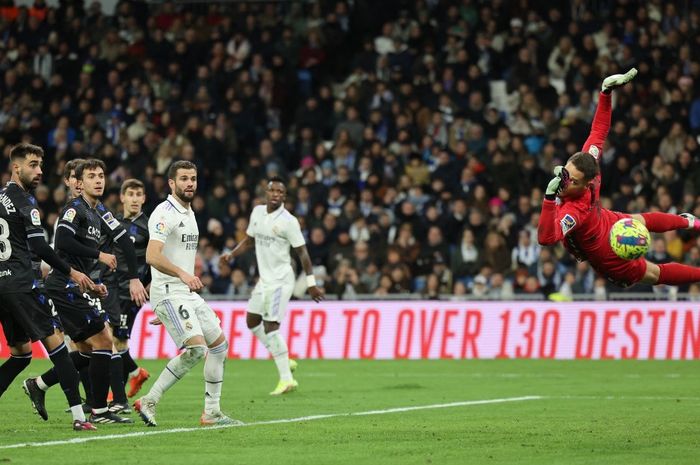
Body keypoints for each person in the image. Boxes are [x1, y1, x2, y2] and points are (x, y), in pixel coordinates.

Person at [538, 68, 700, 288]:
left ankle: (693, 243)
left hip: (607, 250)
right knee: (639, 220)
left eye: (573, 181)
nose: (566, 181)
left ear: (587, 184)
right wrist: (605, 93)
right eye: (566, 172)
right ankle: (688, 222)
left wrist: (549, 199)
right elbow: (599, 131)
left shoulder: (573, 211)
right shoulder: (589, 164)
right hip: (604, 228)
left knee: (653, 272)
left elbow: (546, 239)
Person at [25, 159, 148, 425]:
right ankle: (100, 410)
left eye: (101, 175)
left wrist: (132, 277)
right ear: (79, 184)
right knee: (104, 340)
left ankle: (39, 384)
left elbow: (124, 239)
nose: (99, 180)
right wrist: (99, 254)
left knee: (85, 351)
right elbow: (63, 242)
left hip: (77, 285)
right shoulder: (75, 209)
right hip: (63, 285)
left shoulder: (99, 211)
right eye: (92, 176)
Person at [0, 143, 97, 430]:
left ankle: (37, 388)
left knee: (20, 355)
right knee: (57, 347)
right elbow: (40, 246)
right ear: (16, 167)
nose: (39, 171)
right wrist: (72, 272)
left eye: (40, 165)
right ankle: (80, 417)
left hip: (2, 286)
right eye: (32, 164)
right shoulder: (25, 203)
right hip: (22, 283)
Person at [134, 160, 238, 427]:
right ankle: (150, 400)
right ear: (172, 183)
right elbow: (151, 255)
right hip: (170, 291)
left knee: (219, 346)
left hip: (185, 295)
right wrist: (174, 284)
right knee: (196, 350)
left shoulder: (189, 212)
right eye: (183, 179)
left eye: (192, 178)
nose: (189, 183)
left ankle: (212, 412)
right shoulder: (164, 213)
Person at [219, 176, 324, 395]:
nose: (276, 194)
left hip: (281, 280)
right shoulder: (257, 212)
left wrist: (311, 283)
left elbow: (302, 252)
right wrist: (232, 254)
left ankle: (287, 380)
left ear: (284, 197)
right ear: (265, 192)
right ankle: (283, 357)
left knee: (271, 326)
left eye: (280, 192)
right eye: (272, 190)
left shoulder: (289, 221)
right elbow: (249, 240)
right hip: (264, 280)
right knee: (252, 321)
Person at [112, 179, 151, 399]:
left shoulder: (149, 225)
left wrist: (150, 282)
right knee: (113, 339)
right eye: (131, 194)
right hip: (112, 288)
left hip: (132, 293)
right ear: (122, 197)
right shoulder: (115, 223)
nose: (135, 198)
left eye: (139, 194)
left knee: (117, 341)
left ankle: (120, 388)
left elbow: (156, 257)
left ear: (144, 198)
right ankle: (133, 375)